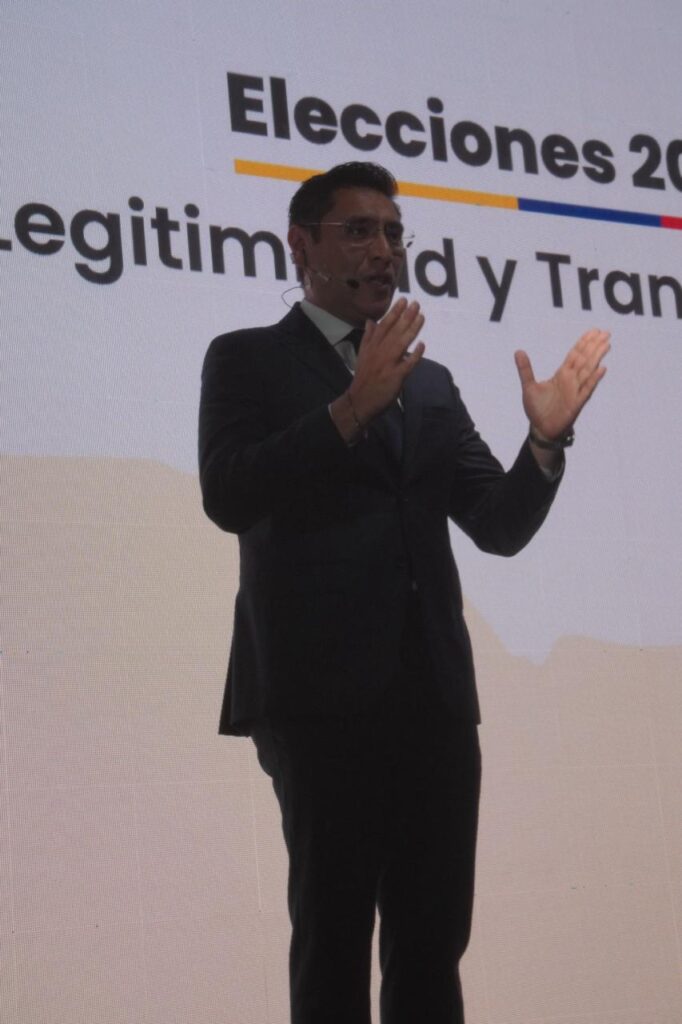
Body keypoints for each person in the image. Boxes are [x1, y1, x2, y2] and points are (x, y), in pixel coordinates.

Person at [198, 162, 609, 1024]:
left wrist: (543, 444)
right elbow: (230, 494)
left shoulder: (429, 383)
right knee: (334, 942)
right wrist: (349, 410)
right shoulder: (247, 359)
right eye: (358, 231)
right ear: (300, 245)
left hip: (433, 701)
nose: (383, 250)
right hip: (319, 703)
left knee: (431, 946)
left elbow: (496, 524)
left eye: (392, 233)